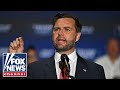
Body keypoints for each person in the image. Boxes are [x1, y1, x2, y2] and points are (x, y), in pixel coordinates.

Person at [8, 13, 105, 79]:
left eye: (67, 29)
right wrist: (13, 59)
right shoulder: (35, 70)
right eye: (56, 29)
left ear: (77, 36)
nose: (60, 33)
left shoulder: (95, 71)